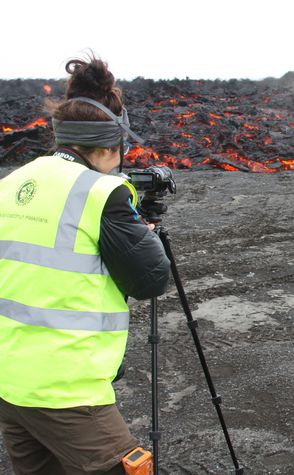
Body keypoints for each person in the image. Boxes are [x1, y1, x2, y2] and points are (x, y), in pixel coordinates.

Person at [0, 54, 171, 474]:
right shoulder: (103, 194)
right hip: (66, 391)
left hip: (10, 380)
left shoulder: (12, 182)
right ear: (112, 142)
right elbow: (150, 279)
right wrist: (141, 228)